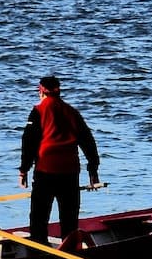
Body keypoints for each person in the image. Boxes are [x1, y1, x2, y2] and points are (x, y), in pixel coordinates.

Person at [18, 75, 101, 246]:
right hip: (70, 171)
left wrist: (23, 170)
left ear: (41, 90)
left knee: (39, 217)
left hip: (45, 169)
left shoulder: (38, 111)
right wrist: (93, 170)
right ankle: (70, 249)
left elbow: (28, 142)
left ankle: (39, 250)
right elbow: (88, 141)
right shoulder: (72, 112)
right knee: (69, 218)